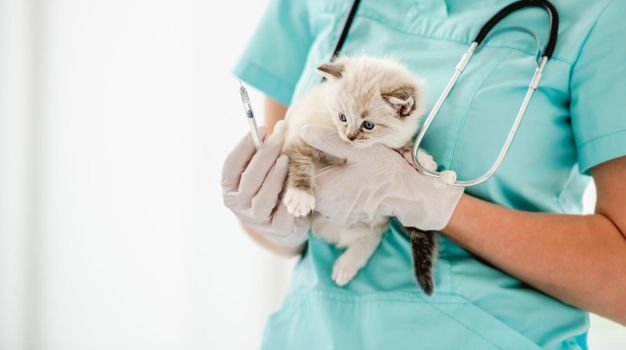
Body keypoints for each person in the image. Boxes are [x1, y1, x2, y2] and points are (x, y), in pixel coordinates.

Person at [222, 0, 626, 348]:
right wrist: (275, 220)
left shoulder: (602, 15)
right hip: (312, 335)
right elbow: (279, 179)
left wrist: (435, 203)